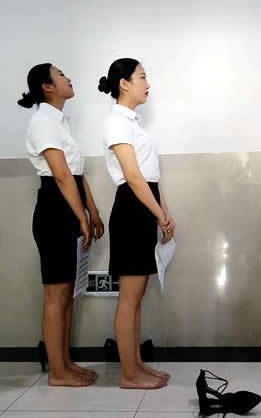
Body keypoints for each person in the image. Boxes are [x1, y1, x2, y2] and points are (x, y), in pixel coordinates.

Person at [21, 63, 104, 386]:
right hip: (55, 210)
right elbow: (60, 175)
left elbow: (76, 174)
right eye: (61, 75)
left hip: (69, 204)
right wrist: (81, 215)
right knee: (56, 294)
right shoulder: (43, 120)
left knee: (68, 291)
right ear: (47, 86)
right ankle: (57, 371)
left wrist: (92, 211)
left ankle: (65, 363)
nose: (68, 78)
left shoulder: (60, 121)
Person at [99, 58, 174, 389]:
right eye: (142, 77)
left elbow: (150, 176)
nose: (148, 83)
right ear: (124, 83)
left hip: (144, 203)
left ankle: (137, 364)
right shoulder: (116, 121)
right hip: (132, 209)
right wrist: (157, 212)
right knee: (129, 298)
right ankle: (128, 374)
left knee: (137, 294)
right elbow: (132, 176)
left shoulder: (133, 123)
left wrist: (163, 210)